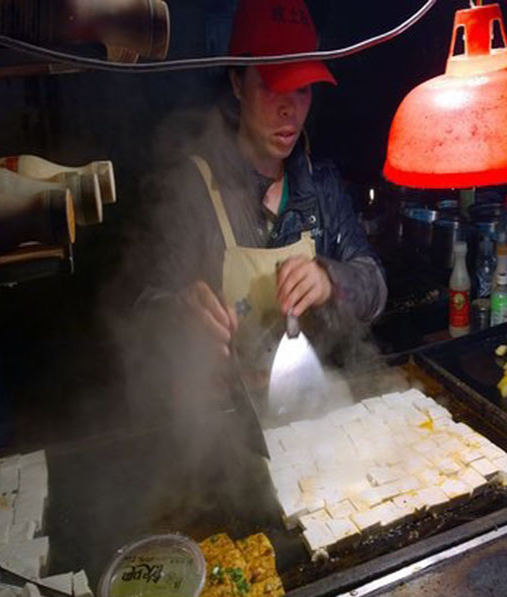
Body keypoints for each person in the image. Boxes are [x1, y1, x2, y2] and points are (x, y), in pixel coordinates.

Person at [138, 0, 387, 369]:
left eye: (302, 89)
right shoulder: (192, 190)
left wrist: (330, 280)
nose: (290, 108)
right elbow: (144, 308)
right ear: (237, 83)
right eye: (273, 85)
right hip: (221, 401)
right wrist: (178, 314)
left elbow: (375, 287)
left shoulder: (321, 187)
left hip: (313, 397)